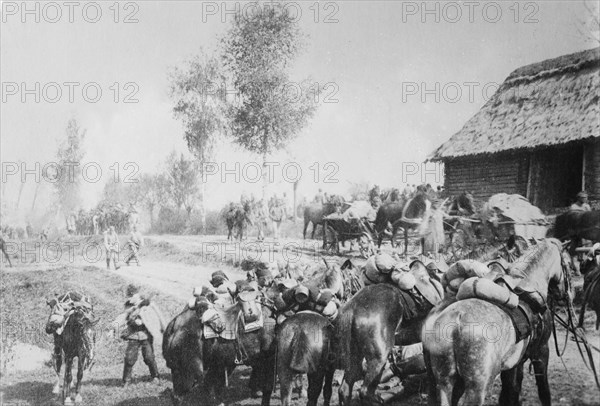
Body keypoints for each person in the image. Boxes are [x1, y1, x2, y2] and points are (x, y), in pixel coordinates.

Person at [113, 284, 165, 386]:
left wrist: (144, 321)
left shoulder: (148, 305)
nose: (129, 299)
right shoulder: (129, 306)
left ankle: (155, 377)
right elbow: (123, 317)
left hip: (145, 335)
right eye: (129, 296)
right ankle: (126, 381)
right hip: (133, 335)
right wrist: (116, 327)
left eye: (131, 296)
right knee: (129, 358)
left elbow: (157, 317)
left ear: (136, 295)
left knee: (149, 357)